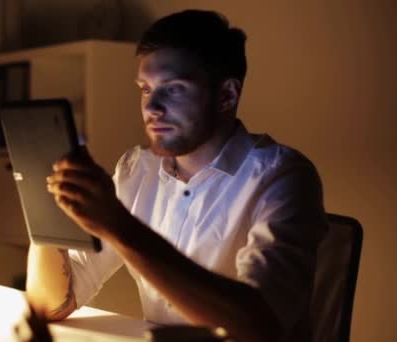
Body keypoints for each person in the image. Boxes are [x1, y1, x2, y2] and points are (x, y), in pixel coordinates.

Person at [26, 9, 327, 342]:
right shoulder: (136, 169)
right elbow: (53, 305)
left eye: (173, 89)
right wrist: (47, 206)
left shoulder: (282, 177)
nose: (152, 107)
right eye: (145, 89)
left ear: (227, 94)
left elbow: (257, 328)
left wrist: (117, 224)